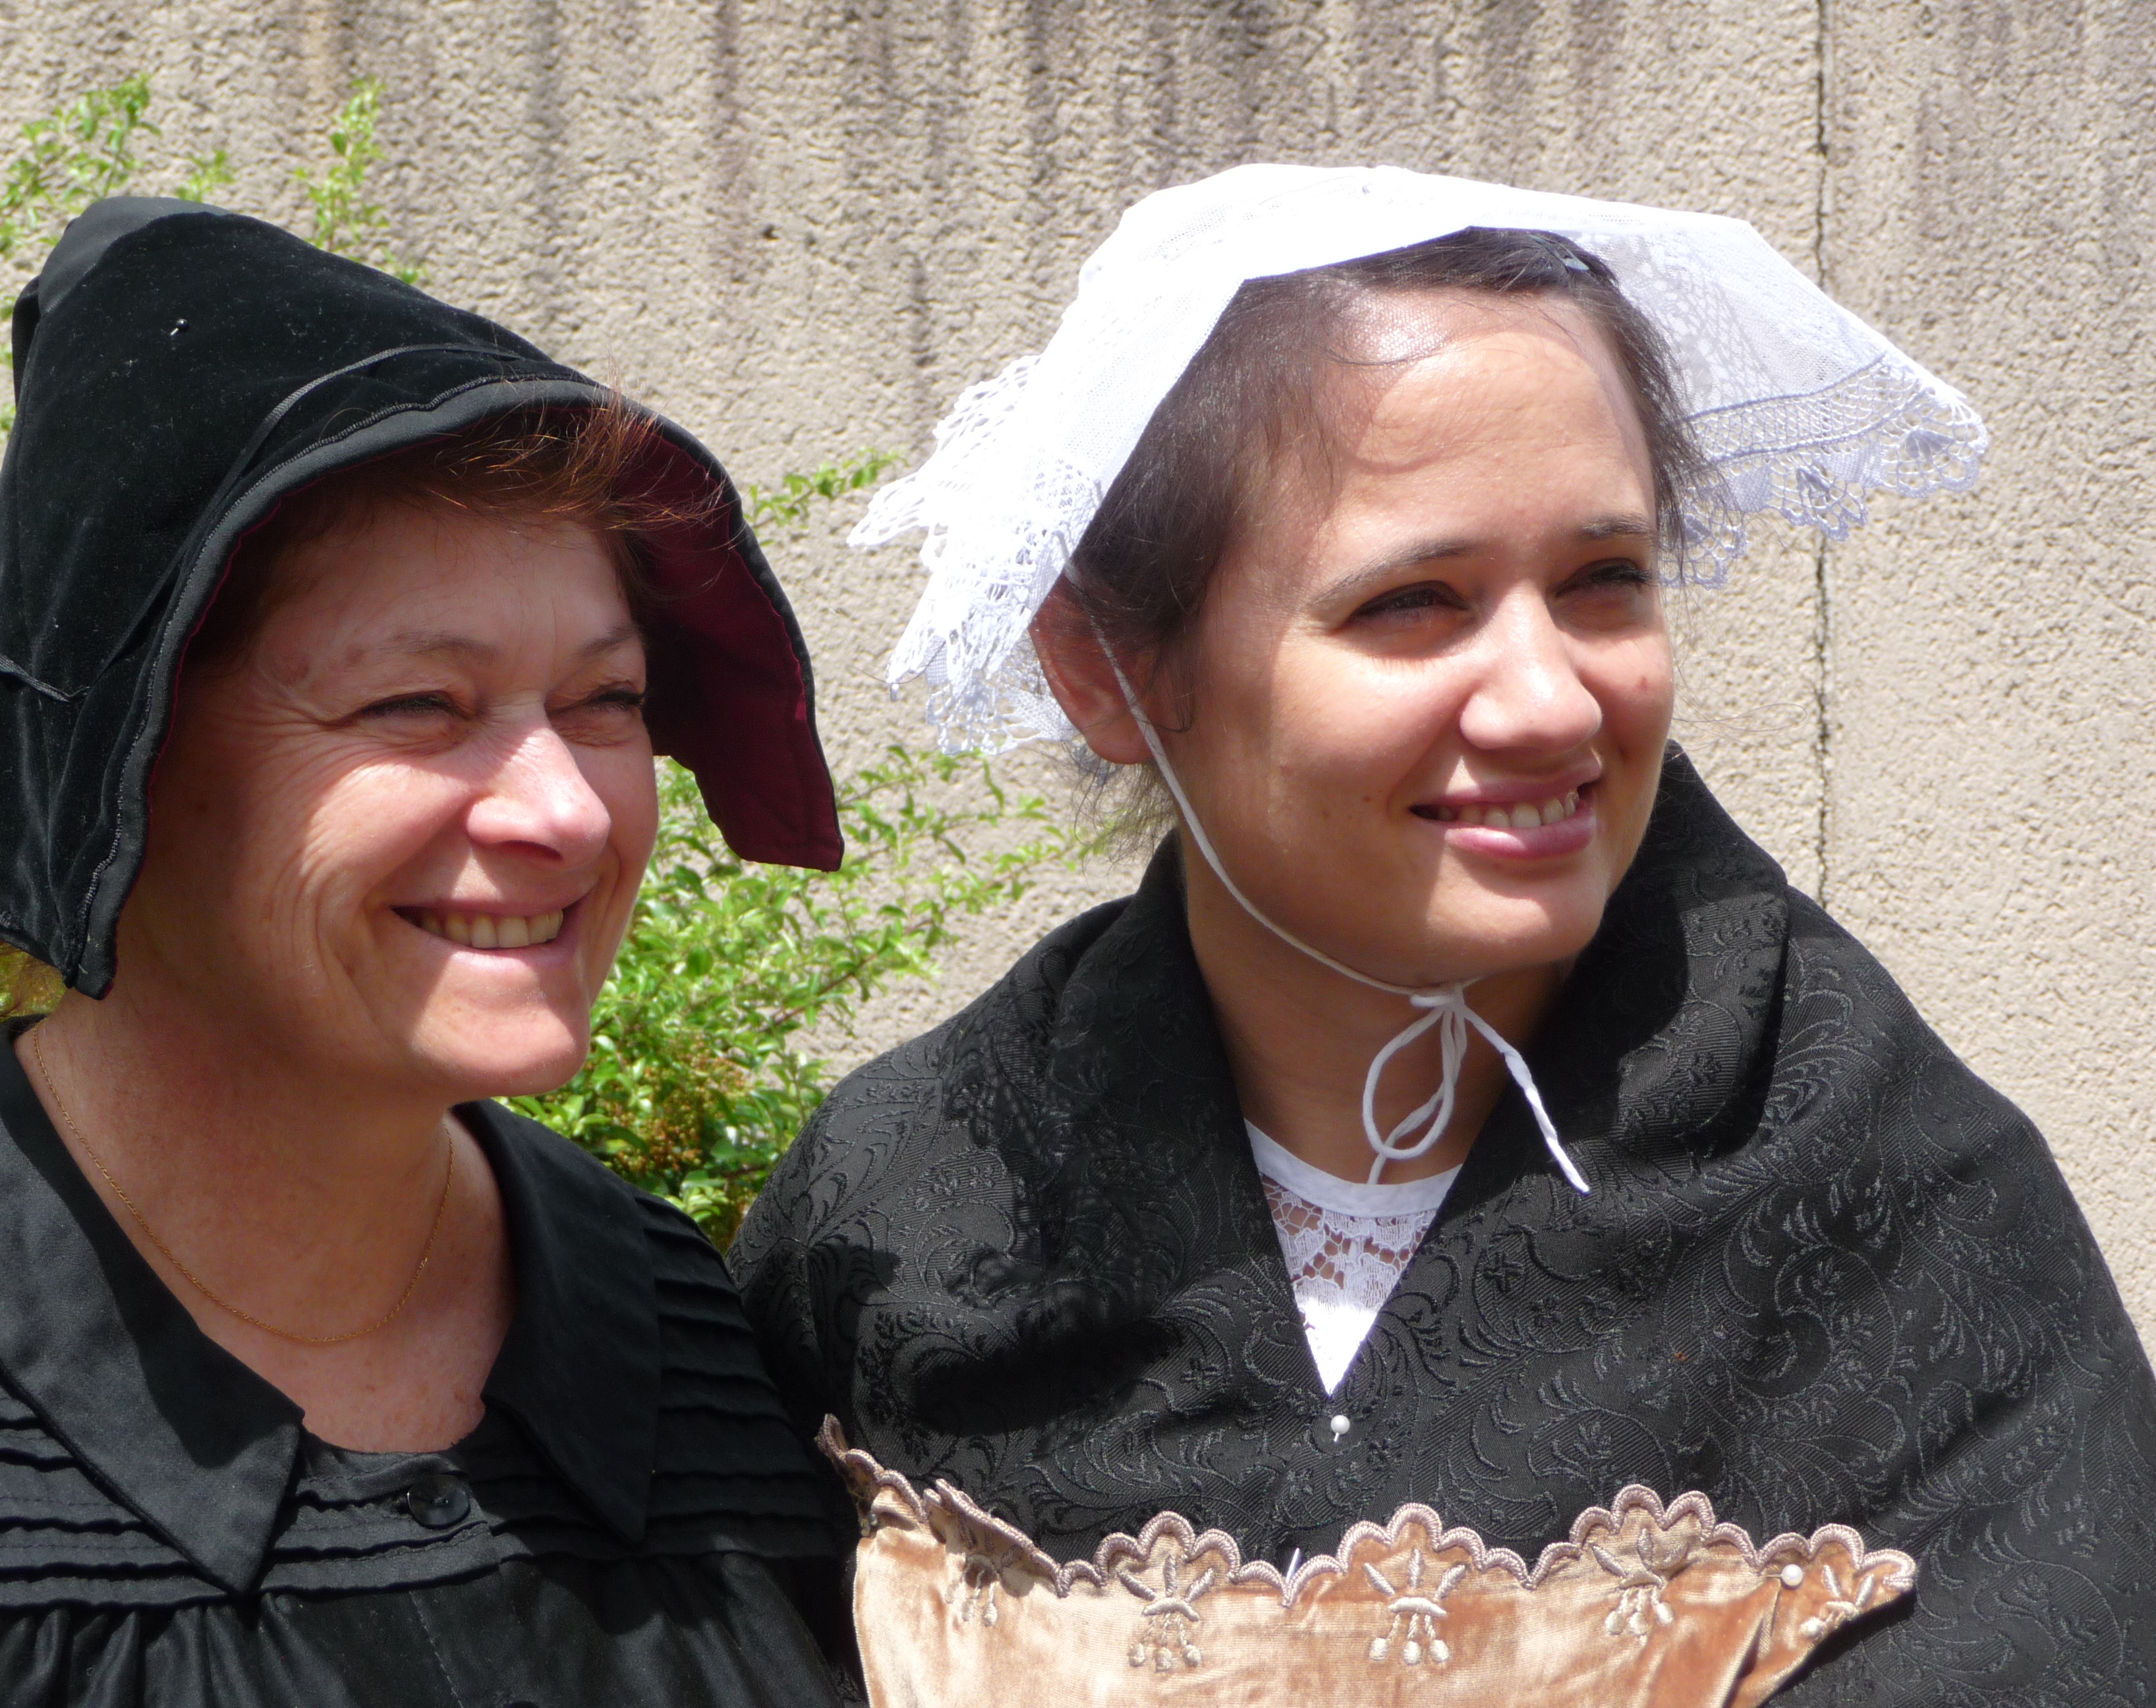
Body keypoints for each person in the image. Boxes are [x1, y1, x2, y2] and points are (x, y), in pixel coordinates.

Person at [731, 168, 2156, 1705]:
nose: (1550, 701)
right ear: (1105, 668)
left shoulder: (1893, 1196)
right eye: (1414, 602)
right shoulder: (907, 1202)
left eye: (1606, 581)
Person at [0, 198, 851, 1705]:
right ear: (119, 771)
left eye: (605, 701)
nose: (565, 812)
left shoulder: (689, 1340)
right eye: (419, 706)